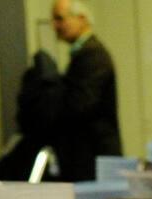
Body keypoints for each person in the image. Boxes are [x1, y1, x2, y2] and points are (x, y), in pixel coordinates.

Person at [20, 0, 121, 181]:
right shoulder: (85, 54)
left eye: (59, 19)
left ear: (81, 19)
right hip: (89, 155)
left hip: (94, 156)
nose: (54, 26)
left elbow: (80, 104)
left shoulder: (93, 55)